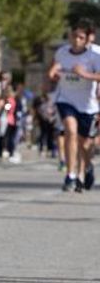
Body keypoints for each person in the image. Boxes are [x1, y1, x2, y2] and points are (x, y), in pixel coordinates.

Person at [48, 25, 100, 192]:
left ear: (87, 39)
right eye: (74, 36)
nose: (76, 40)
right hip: (66, 99)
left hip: (87, 104)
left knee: (85, 144)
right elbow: (56, 66)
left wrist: (84, 74)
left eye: (81, 37)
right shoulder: (62, 52)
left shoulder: (95, 54)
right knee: (70, 131)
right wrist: (53, 73)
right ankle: (70, 175)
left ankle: (87, 168)